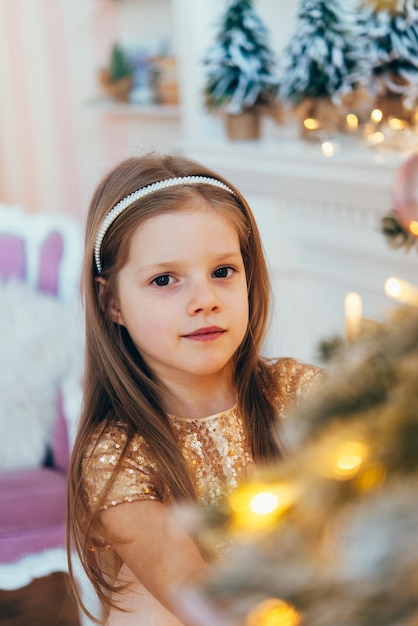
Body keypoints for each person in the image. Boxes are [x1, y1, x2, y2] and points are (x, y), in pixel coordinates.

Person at [67, 152, 321, 626]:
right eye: (164, 280)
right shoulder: (115, 455)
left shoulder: (298, 392)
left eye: (223, 272)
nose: (204, 301)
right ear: (112, 303)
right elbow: (191, 591)